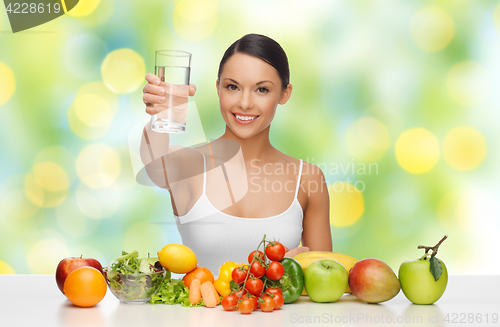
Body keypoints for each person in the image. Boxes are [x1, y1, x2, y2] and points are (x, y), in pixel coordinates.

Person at [140, 34, 332, 274]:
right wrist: (158, 113)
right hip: (198, 312)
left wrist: (288, 274)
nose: (244, 103)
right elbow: (153, 162)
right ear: (218, 88)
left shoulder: (308, 179)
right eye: (232, 87)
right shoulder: (189, 167)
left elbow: (324, 280)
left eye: (262, 89)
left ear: (284, 94)